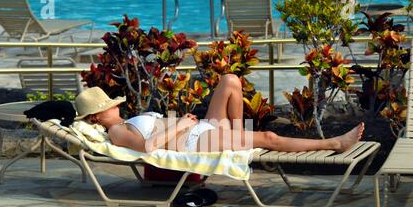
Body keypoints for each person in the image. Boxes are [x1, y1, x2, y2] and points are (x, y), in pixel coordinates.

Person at [75, 74, 364, 153]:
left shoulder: (125, 122)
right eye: (108, 105)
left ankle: (237, 133)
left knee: (229, 80)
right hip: (195, 141)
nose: (114, 105)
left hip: (202, 130)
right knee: (269, 136)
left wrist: (186, 122)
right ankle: (334, 143)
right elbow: (150, 147)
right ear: (96, 118)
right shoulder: (116, 132)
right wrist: (182, 125)